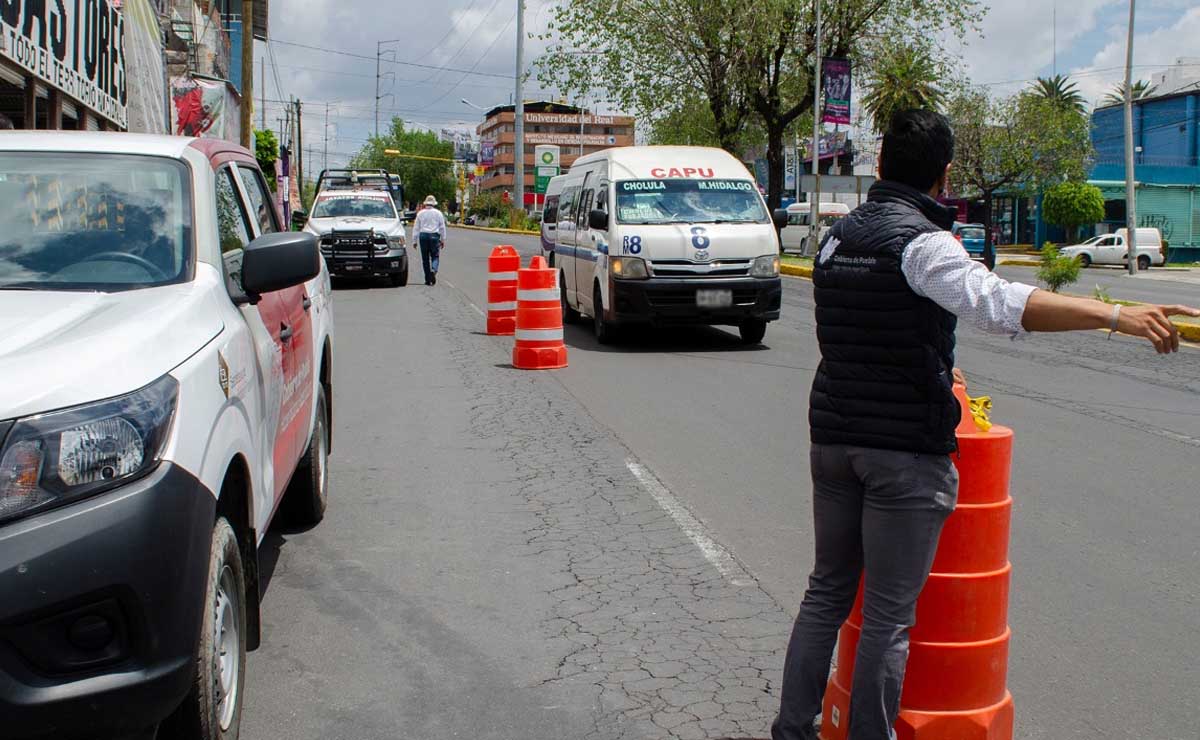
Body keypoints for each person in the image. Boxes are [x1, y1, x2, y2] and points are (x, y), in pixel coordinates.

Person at [771, 109, 1198, 740]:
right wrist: (1112, 315)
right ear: (943, 175)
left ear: (882, 162)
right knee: (888, 617)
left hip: (833, 439)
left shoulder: (836, 237)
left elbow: (875, 332)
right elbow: (1000, 305)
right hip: (903, 454)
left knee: (825, 594)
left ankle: (790, 731)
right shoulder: (922, 242)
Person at [411, 195, 447, 286]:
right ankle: (433, 270)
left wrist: (414, 241)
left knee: (425, 259)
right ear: (434, 204)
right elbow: (442, 227)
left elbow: (416, 228)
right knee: (435, 256)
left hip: (423, 236)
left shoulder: (420, 213)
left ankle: (427, 279)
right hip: (434, 236)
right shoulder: (438, 213)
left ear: (425, 203)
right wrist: (443, 239)